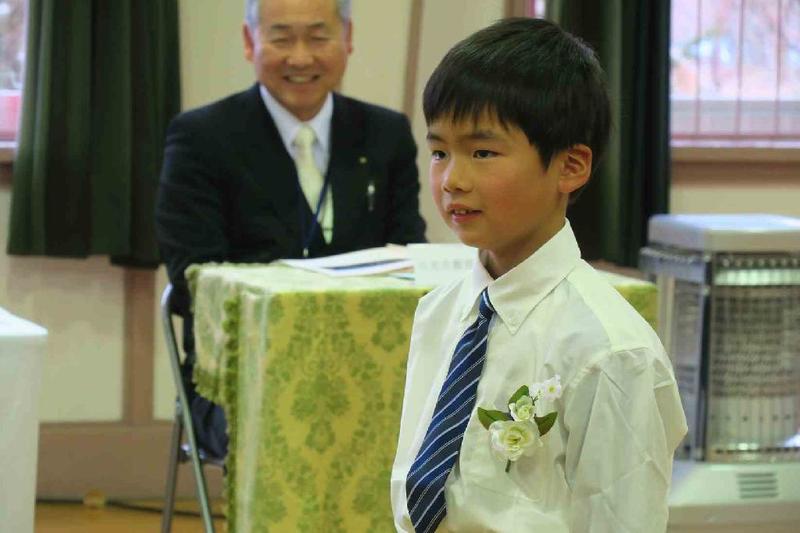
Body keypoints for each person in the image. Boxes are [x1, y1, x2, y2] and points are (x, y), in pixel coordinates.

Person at [390, 18, 687, 533]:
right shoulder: (441, 310)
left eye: (482, 152)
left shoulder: (610, 352)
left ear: (570, 166)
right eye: (440, 152)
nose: (452, 179)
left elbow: (623, 519)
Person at [155, 0, 426, 459]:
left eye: (318, 37)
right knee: (292, 424)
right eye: (281, 38)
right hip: (242, 373)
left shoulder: (385, 134)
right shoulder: (203, 137)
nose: (300, 57)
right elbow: (193, 280)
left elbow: (409, 257)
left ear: (347, 39)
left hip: (369, 365)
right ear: (250, 41)